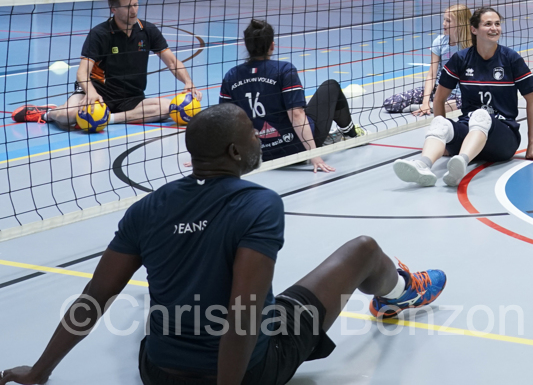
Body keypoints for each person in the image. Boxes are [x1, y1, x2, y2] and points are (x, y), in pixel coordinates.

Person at [0, 103, 446, 385]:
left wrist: (40, 372)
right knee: (364, 248)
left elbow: (94, 296)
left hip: (157, 373)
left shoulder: (148, 208)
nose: (259, 137)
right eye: (251, 133)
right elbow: (244, 313)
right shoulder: (259, 204)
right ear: (235, 153)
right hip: (243, 372)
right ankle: (399, 291)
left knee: (160, 306)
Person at [393, 6, 533, 188]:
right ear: (474, 29)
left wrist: (531, 145)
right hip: (468, 132)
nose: (494, 28)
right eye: (488, 24)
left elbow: (532, 100)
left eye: (497, 24)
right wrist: (446, 144)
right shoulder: (461, 58)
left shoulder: (511, 59)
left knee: (481, 115)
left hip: (503, 139)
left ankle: (461, 163)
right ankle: (423, 165)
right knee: (440, 123)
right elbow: (439, 98)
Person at [13, 0, 201, 131]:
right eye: (128, 7)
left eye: (136, 4)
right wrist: (91, 92)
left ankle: (107, 119)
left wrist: (188, 82)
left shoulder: (148, 30)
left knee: (168, 108)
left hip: (131, 97)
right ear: (114, 9)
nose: (134, 10)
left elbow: (172, 61)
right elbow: (82, 73)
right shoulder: (100, 34)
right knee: (68, 115)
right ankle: (48, 113)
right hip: (96, 94)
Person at [219, 19, 362, 174]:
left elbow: (225, 120)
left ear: (246, 46)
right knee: (331, 86)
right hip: (295, 149)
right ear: (272, 46)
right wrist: (314, 155)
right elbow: (296, 114)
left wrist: (213, 156)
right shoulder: (284, 70)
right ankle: (352, 134)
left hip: (259, 153)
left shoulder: (231, 75)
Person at [382, 4, 468, 115]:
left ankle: (433, 106)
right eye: (444, 20)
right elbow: (431, 75)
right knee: (390, 103)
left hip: (460, 95)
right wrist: (425, 101)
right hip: (438, 90)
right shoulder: (439, 42)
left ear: (460, 24)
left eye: (448, 21)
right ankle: (430, 106)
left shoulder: (471, 46)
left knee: (469, 102)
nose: (444, 24)